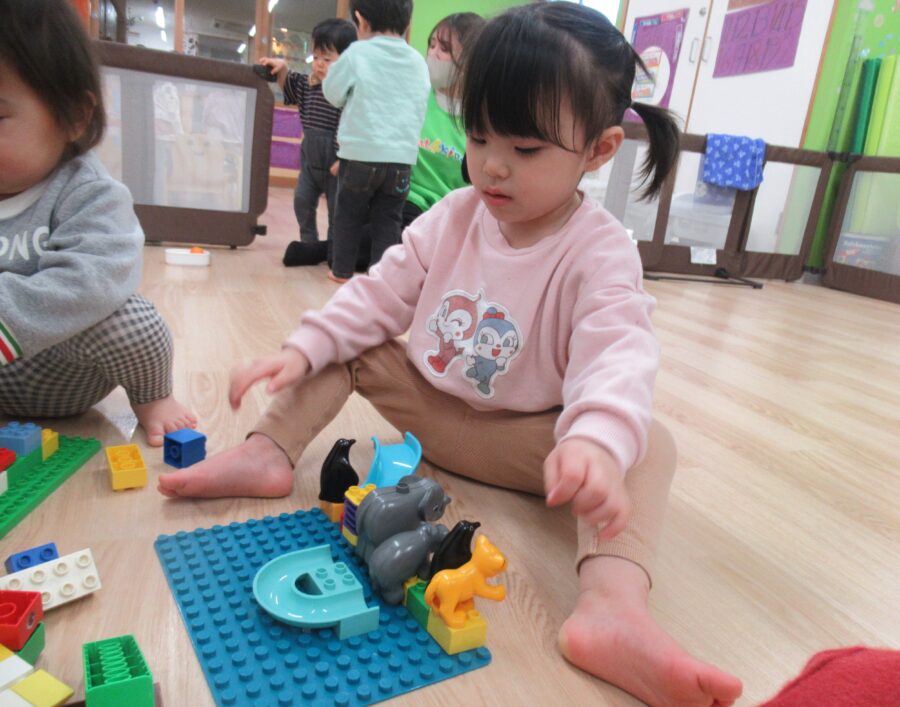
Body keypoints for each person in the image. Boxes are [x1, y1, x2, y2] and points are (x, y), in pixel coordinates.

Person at [159, 4, 743, 706]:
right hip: (429, 411)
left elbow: (618, 354)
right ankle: (268, 451)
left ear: (599, 149)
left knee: (649, 443)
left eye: (526, 149)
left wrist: (594, 442)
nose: (492, 164)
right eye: (479, 134)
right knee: (352, 342)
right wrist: (303, 349)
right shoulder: (455, 214)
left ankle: (611, 606)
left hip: (531, 447)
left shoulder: (601, 250)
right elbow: (378, 294)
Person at [0, 0, 196, 446]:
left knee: (132, 321)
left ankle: (153, 398)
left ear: (74, 116)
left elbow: (93, 282)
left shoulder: (88, 192)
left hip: (62, 371)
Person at [322, 0, 430, 283]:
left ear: (361, 20)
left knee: (349, 215)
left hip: (360, 155)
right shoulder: (417, 61)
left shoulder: (357, 53)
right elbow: (421, 104)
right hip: (401, 160)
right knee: (389, 219)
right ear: (406, 22)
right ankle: (382, 278)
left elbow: (333, 94)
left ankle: (342, 270)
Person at [259, 19, 358, 268]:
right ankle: (309, 242)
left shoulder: (348, 93)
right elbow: (288, 84)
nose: (319, 64)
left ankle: (334, 251)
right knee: (302, 200)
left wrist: (345, 158)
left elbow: (354, 127)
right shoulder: (308, 84)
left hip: (336, 163)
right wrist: (282, 69)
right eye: (315, 57)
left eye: (327, 59)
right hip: (310, 161)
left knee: (337, 211)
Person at [402, 12, 484, 229]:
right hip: (400, 198)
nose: (433, 53)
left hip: (446, 216)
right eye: (432, 45)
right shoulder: (416, 96)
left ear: (470, 61)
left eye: (444, 49)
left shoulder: (481, 119)